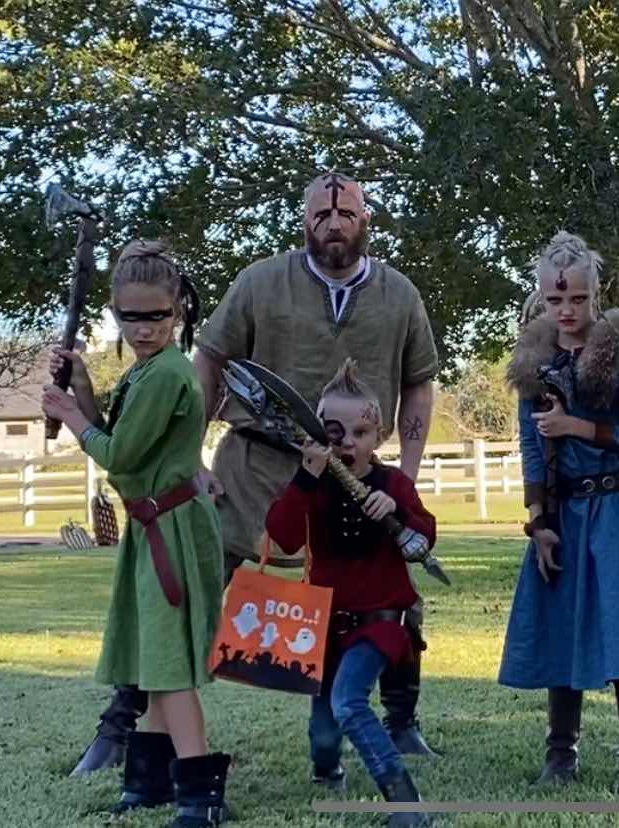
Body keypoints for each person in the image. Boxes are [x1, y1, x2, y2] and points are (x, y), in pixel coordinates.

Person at [71, 172, 444, 772]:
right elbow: (209, 361)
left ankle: (402, 724)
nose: (334, 223)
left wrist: (408, 473)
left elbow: (419, 381)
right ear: (304, 221)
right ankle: (120, 728)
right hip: (251, 470)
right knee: (177, 589)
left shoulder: (399, 294)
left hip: (353, 479)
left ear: (365, 219)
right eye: (321, 214)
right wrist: (190, 458)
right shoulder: (260, 282)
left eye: (346, 213)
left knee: (397, 597)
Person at [42, 241, 230, 826]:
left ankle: (200, 795)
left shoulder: (166, 373)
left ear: (178, 310)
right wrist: (82, 389)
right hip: (153, 528)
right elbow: (117, 435)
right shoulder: (145, 371)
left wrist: (70, 417)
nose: (144, 328)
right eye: (130, 316)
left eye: (156, 315)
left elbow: (118, 456)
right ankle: (148, 782)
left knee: (169, 667)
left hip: (172, 531)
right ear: (115, 313)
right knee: (153, 658)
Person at [498, 231, 619, 794]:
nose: (567, 310)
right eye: (555, 299)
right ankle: (560, 755)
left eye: (577, 298)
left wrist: (576, 426)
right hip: (563, 509)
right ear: (542, 297)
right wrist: (539, 521)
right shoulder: (534, 360)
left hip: (616, 505)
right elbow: (532, 447)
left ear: (595, 294)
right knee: (561, 624)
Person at [265, 360, 435, 827]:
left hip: (379, 624)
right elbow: (283, 537)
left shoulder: (394, 484)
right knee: (324, 735)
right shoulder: (312, 484)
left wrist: (397, 510)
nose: (348, 443)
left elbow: (423, 540)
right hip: (323, 627)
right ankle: (328, 771)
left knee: (348, 702)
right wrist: (305, 477)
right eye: (335, 432)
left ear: (378, 435)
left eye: (360, 432)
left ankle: (405, 803)